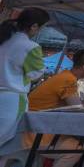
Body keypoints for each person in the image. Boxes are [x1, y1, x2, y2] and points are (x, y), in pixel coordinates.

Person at [28, 48, 84, 167]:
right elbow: (78, 109)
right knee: (76, 150)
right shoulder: (68, 80)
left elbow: (74, 104)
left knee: (73, 142)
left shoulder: (65, 76)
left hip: (35, 126)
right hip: (34, 132)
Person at [0, 8, 49, 147]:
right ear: (34, 26)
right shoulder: (31, 47)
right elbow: (36, 75)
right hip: (11, 102)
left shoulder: (4, 39)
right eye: (42, 28)